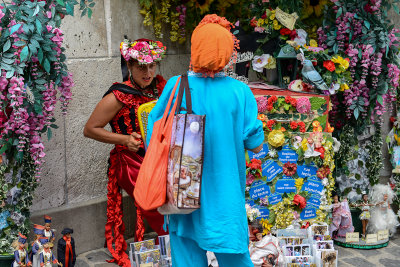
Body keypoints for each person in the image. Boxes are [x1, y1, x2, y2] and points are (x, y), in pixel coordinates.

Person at [147, 14, 264, 267]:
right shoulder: (240, 91)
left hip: (182, 193)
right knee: (235, 258)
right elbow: (255, 143)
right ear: (228, 51)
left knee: (187, 258)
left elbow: (154, 136)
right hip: (224, 197)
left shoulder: (176, 86)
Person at [83, 38, 168, 266]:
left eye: (152, 66)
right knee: (158, 205)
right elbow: (90, 129)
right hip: (130, 160)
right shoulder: (117, 95)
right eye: (141, 66)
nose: (148, 72)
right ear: (129, 66)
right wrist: (124, 139)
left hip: (158, 157)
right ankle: (172, 247)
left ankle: (173, 248)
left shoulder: (160, 87)